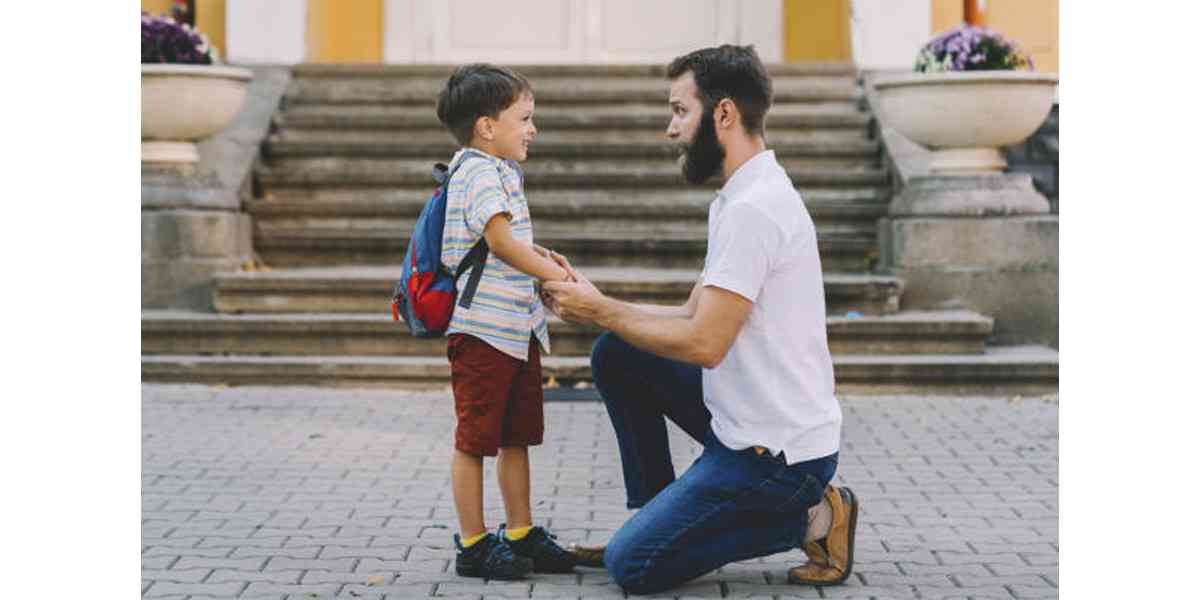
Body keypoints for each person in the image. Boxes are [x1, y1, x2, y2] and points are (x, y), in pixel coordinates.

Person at [541, 45, 860, 595]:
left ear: (724, 114)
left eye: (679, 111)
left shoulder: (754, 210)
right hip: (743, 421)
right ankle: (656, 512)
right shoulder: (740, 197)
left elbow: (705, 343)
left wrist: (600, 310)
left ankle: (815, 518)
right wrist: (598, 303)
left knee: (632, 565)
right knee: (618, 352)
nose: (671, 129)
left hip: (778, 460)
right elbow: (693, 314)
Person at [435, 63, 577, 580]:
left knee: (517, 435)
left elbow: (504, 242)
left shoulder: (502, 171)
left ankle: (520, 531)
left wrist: (542, 258)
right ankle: (473, 545)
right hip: (483, 333)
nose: (532, 128)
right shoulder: (474, 169)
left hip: (517, 329)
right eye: (525, 117)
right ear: (486, 126)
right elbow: (498, 242)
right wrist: (560, 281)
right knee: (475, 439)